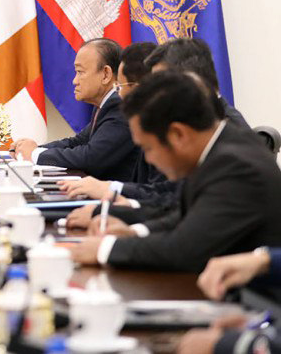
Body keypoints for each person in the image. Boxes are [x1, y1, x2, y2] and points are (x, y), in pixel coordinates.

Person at [70, 71, 281, 272]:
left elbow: (185, 250)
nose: (148, 159)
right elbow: (184, 215)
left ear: (178, 134)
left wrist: (105, 249)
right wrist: (134, 231)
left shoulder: (235, 166)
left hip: (255, 295)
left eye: (148, 148)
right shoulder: (218, 147)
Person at [13, 39, 139, 181]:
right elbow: (77, 142)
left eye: (80, 72)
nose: (75, 81)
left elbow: (91, 157)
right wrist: (30, 149)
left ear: (106, 74)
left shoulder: (119, 107)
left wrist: (35, 154)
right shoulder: (105, 105)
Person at [57, 41, 158, 200]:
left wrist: (110, 190)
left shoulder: (120, 109)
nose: (119, 95)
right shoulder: (107, 108)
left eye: (120, 87)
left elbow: (162, 197)